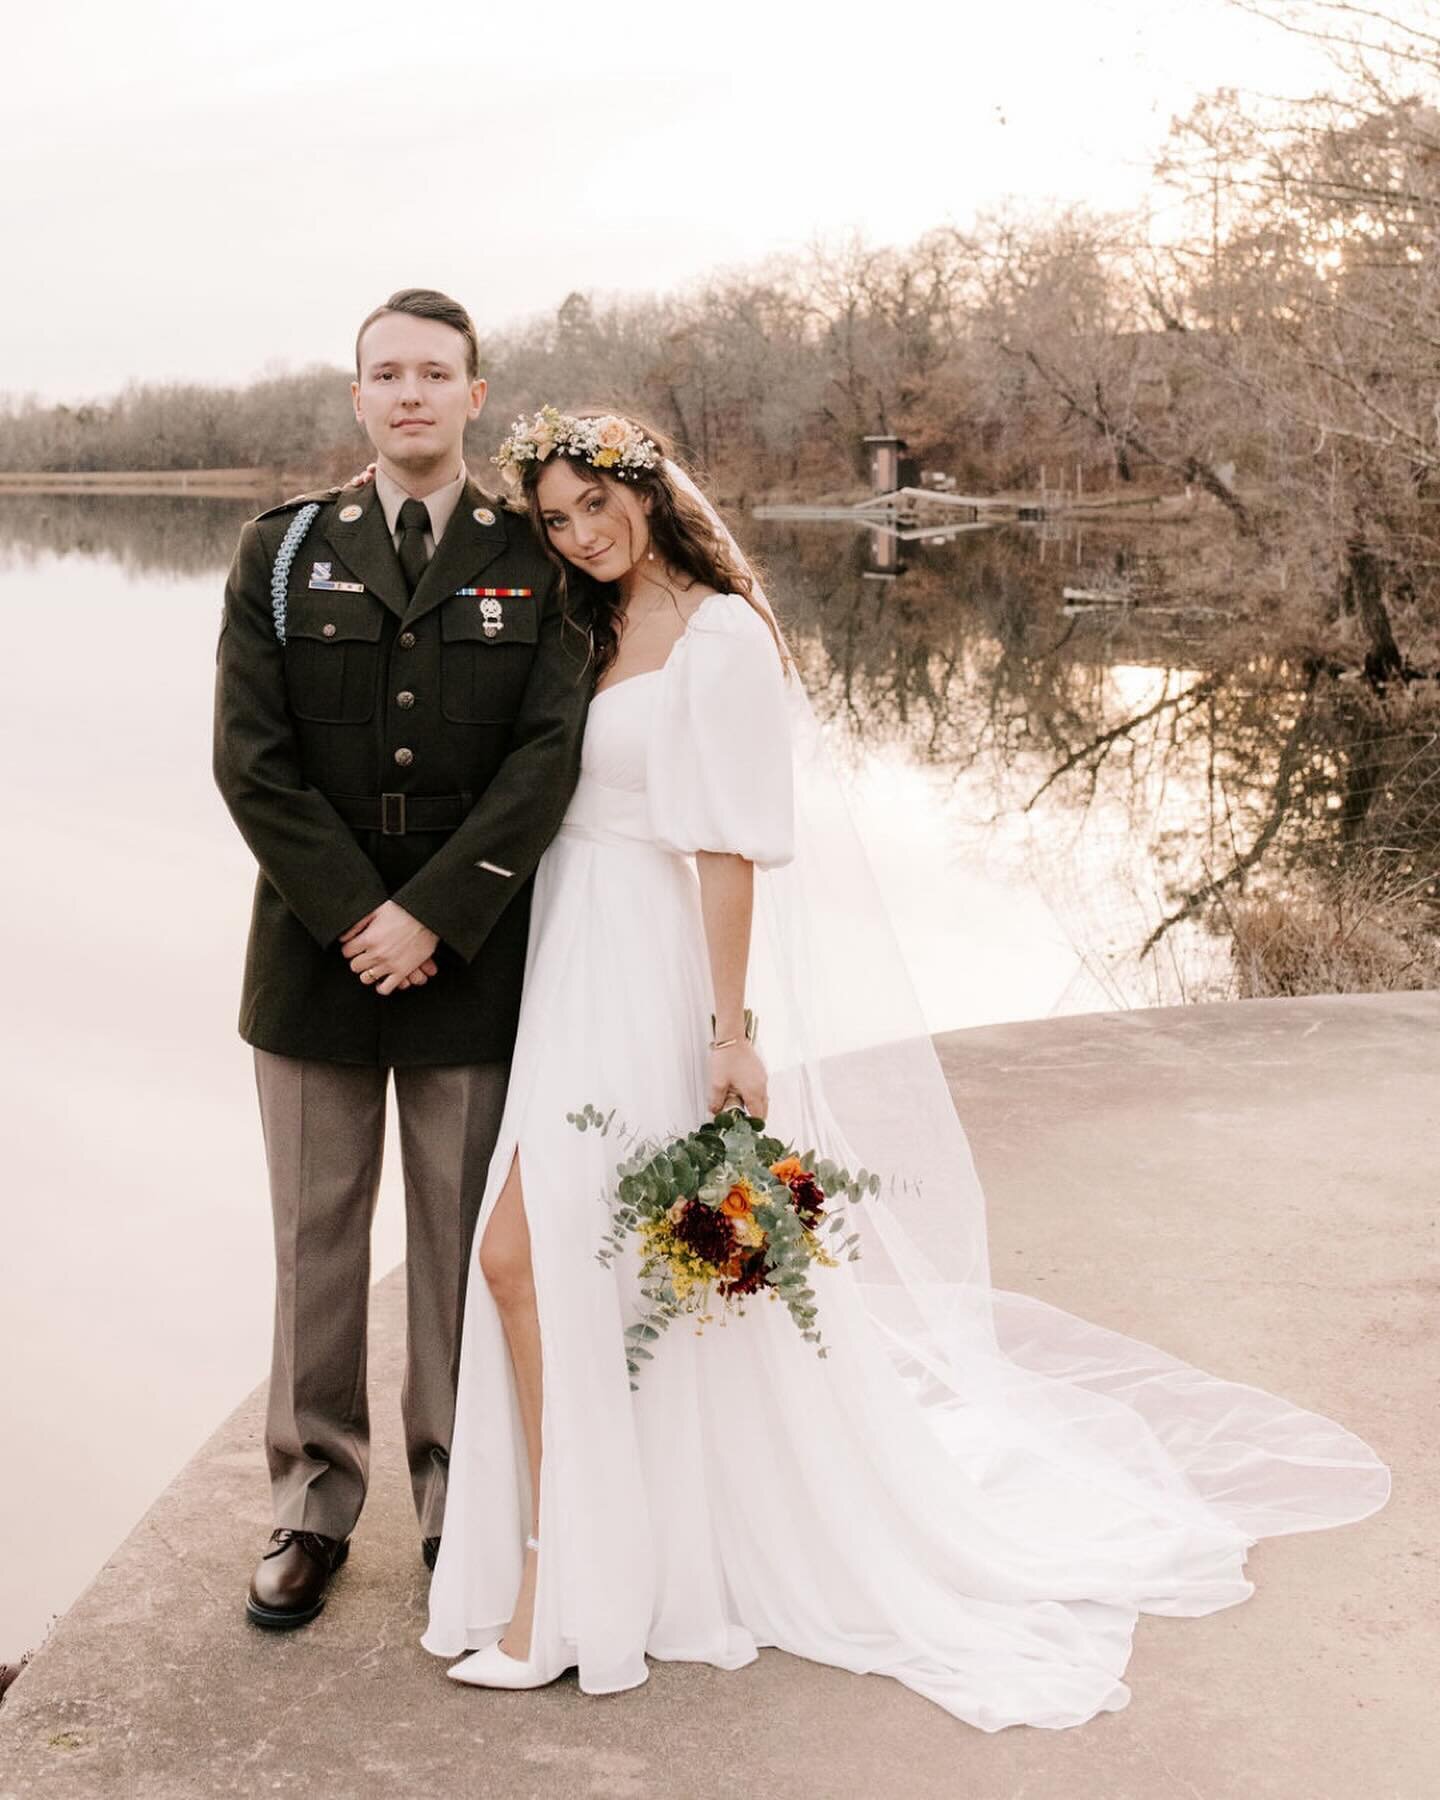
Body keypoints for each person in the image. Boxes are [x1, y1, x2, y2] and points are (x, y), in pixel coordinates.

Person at [421, 407, 1389, 1728]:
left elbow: (731, 850)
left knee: (576, 1267)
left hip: (654, 982)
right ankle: (590, 1568)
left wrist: (728, 1029)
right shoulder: (579, 631)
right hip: (569, 970)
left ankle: (563, 1596)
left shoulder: (721, 637)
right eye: (558, 517)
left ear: (648, 493)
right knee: (550, 1271)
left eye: (598, 505)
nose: (582, 534)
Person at [212, 294, 591, 1630]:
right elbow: (248, 763)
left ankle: (457, 1500)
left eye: (438, 372)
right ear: (358, 397)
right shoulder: (282, 552)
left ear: (477, 396)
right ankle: (311, 1504)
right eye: (389, 373)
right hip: (314, 960)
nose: (413, 393)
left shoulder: (535, 560)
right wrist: (357, 915)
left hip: (470, 952)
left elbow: (549, 757)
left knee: (455, 1245)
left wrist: (432, 912)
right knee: (317, 1246)